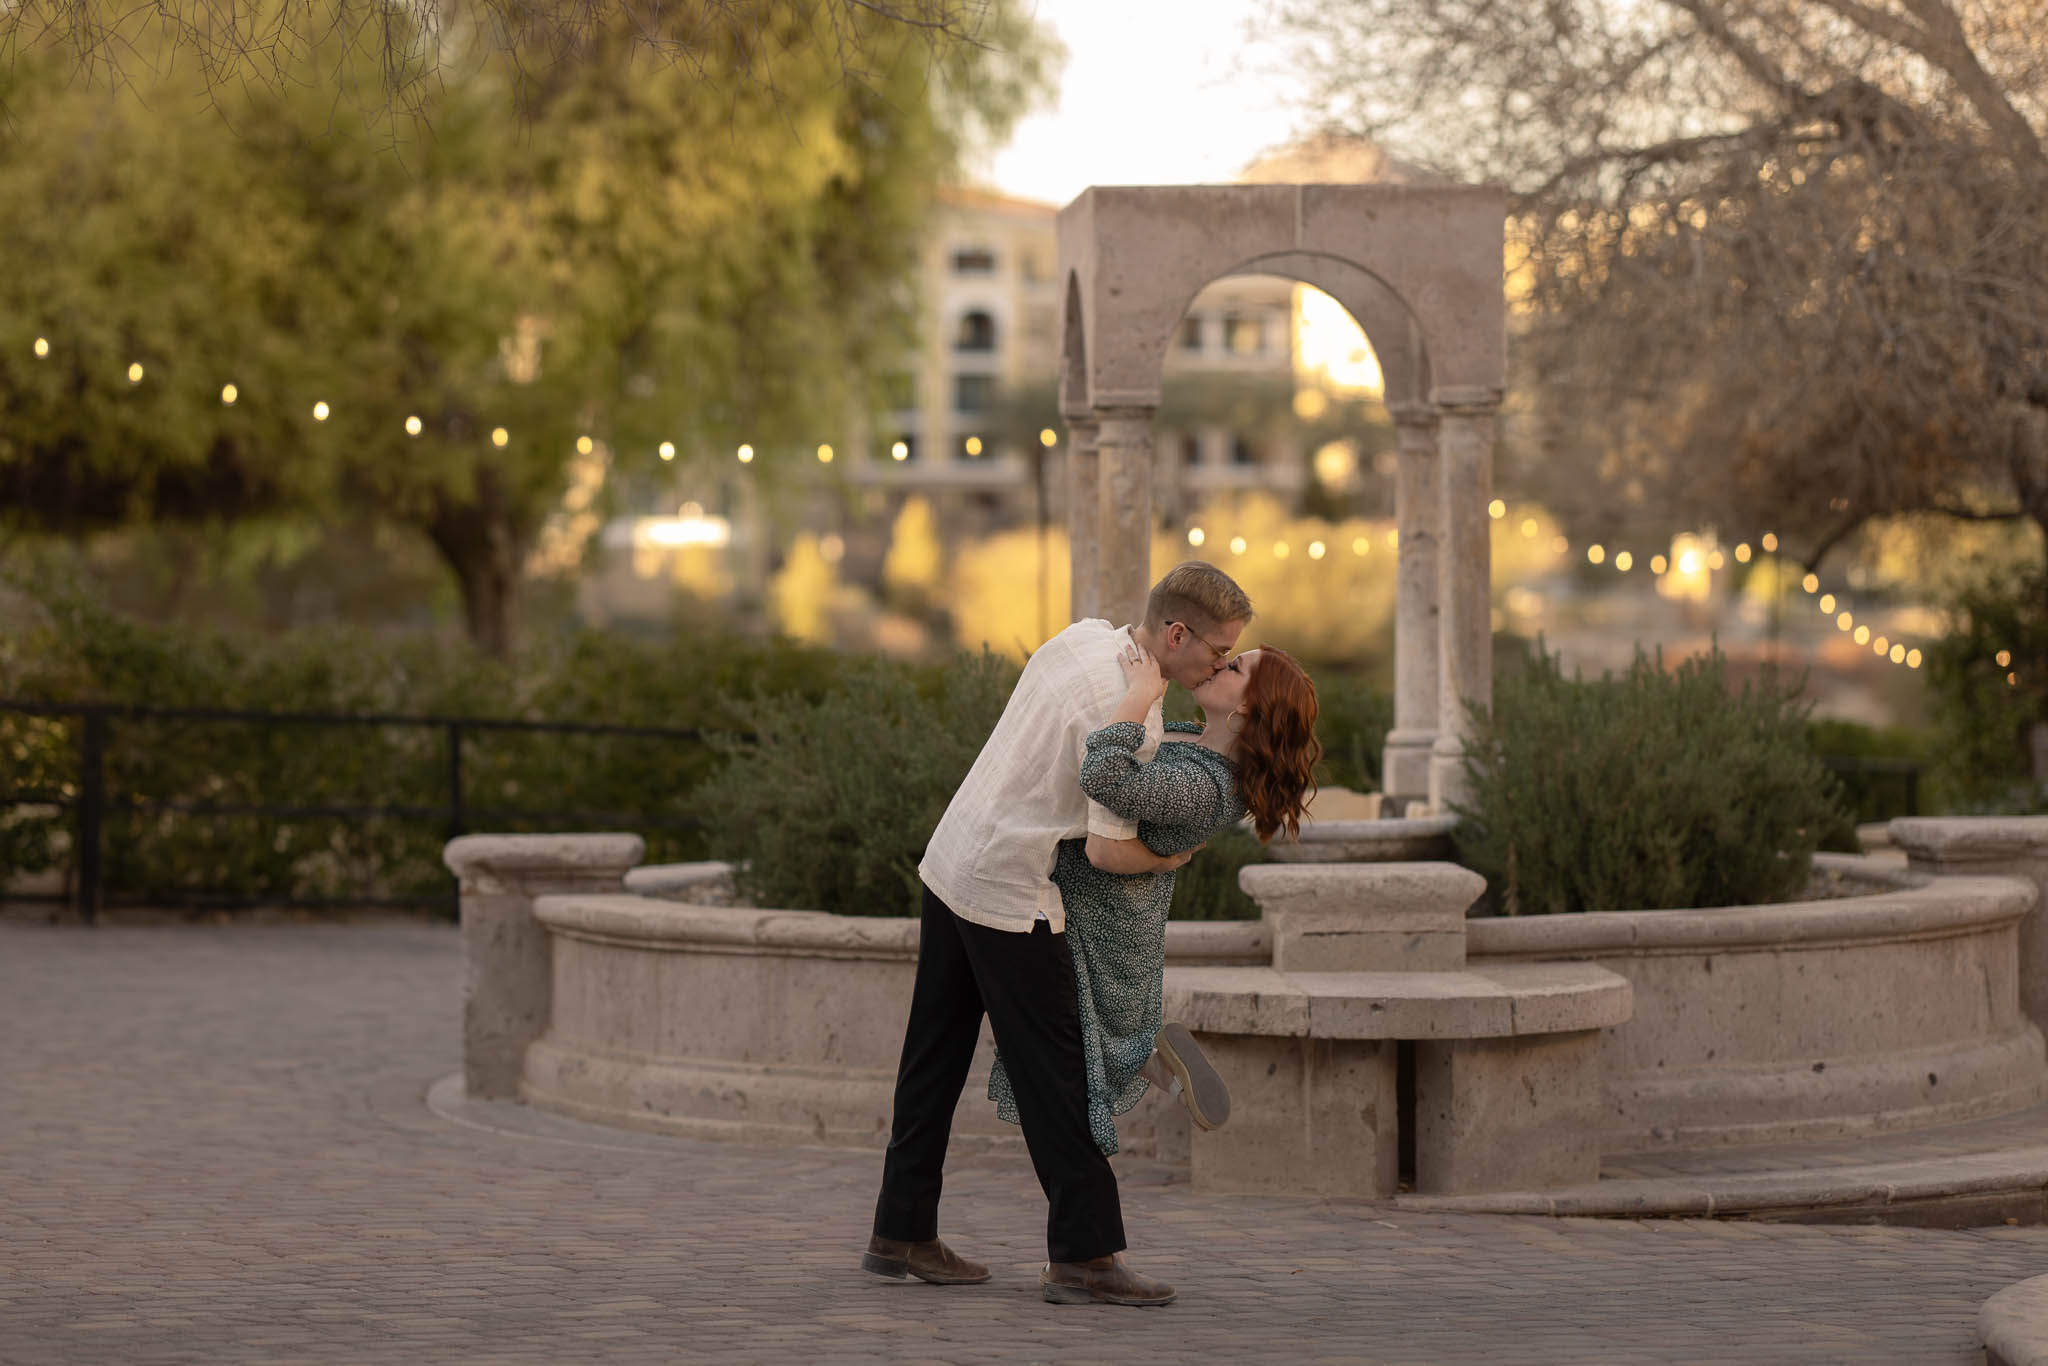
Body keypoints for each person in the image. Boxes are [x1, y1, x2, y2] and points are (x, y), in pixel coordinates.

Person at [864, 561, 1253, 1309]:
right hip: (1009, 890)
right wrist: (1172, 854)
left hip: (953, 859)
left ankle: (901, 1231)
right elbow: (1109, 852)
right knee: (1058, 1072)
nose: (1219, 663)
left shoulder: (1081, 640)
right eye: (1216, 651)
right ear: (1176, 634)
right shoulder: (1128, 718)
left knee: (933, 1059)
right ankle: (1085, 1256)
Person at [987, 643, 1321, 1160]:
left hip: (1103, 924)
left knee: (1074, 1063)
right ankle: (1153, 1058)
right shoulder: (1191, 739)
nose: (1218, 664)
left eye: (1234, 668)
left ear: (1249, 708)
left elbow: (1104, 776)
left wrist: (1141, 693)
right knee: (1081, 1047)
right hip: (1113, 915)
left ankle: (1148, 1065)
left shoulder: (1205, 785)